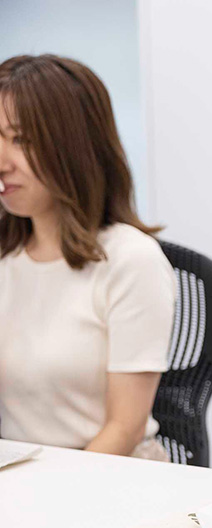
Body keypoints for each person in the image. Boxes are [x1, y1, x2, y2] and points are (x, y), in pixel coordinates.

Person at [0, 55, 175, 461]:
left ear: (73, 145)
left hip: (106, 483)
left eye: (21, 140)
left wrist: (44, 500)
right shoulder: (7, 258)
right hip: (21, 487)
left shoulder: (131, 261)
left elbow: (124, 428)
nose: (3, 162)